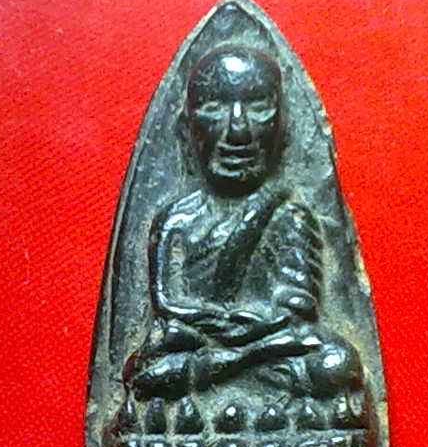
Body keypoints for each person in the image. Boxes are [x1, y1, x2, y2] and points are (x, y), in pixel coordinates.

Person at [124, 46, 365, 415]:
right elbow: (168, 305)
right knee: (147, 368)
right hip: (203, 345)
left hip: (269, 346)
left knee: (336, 362)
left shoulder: (288, 213)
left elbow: (298, 306)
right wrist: (225, 327)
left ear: (283, 128)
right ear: (186, 128)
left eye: (258, 106)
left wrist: (259, 327)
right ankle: (243, 381)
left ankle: (230, 384)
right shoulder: (176, 220)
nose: (238, 130)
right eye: (214, 107)